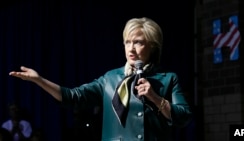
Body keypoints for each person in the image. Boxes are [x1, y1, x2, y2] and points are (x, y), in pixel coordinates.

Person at [9, 17, 192, 141]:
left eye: (138, 42)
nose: (131, 48)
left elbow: (184, 117)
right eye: (127, 42)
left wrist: (155, 97)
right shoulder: (111, 78)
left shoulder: (167, 79)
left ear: (152, 47)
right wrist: (39, 80)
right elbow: (73, 97)